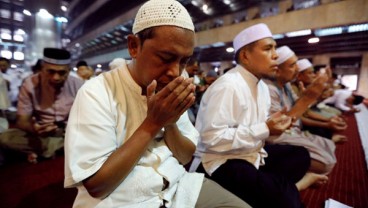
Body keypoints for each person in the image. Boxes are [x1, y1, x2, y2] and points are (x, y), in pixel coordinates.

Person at [64, 0, 250, 207]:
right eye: (165, 58)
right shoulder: (95, 92)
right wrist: (152, 124)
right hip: (122, 199)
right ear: (134, 46)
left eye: (184, 61)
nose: (175, 72)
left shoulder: (174, 82)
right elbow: (98, 186)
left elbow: (185, 156)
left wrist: (170, 122)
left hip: (179, 188)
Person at [192, 23, 313, 208]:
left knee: (300, 156)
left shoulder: (262, 87)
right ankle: (282, 188)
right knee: (285, 199)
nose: (275, 55)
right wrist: (264, 128)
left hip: (251, 155)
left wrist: (275, 127)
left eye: (274, 48)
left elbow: (259, 132)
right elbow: (211, 139)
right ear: (245, 55)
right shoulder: (228, 85)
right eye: (268, 48)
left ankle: (273, 187)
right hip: (219, 162)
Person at [0, 48, 84, 164]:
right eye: (50, 72)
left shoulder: (79, 85)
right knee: (5, 138)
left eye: (62, 73)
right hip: (39, 133)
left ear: (69, 71)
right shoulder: (30, 84)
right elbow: (22, 121)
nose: (56, 77)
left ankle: (47, 150)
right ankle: (59, 149)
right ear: (42, 68)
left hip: (69, 132)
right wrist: (34, 129)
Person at [264, 46, 336, 176]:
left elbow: (299, 108)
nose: (297, 69)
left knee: (329, 144)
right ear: (277, 70)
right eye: (292, 65)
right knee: (325, 163)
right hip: (278, 136)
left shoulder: (286, 85)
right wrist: (308, 98)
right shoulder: (269, 89)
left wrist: (314, 95)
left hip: (294, 130)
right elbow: (279, 127)